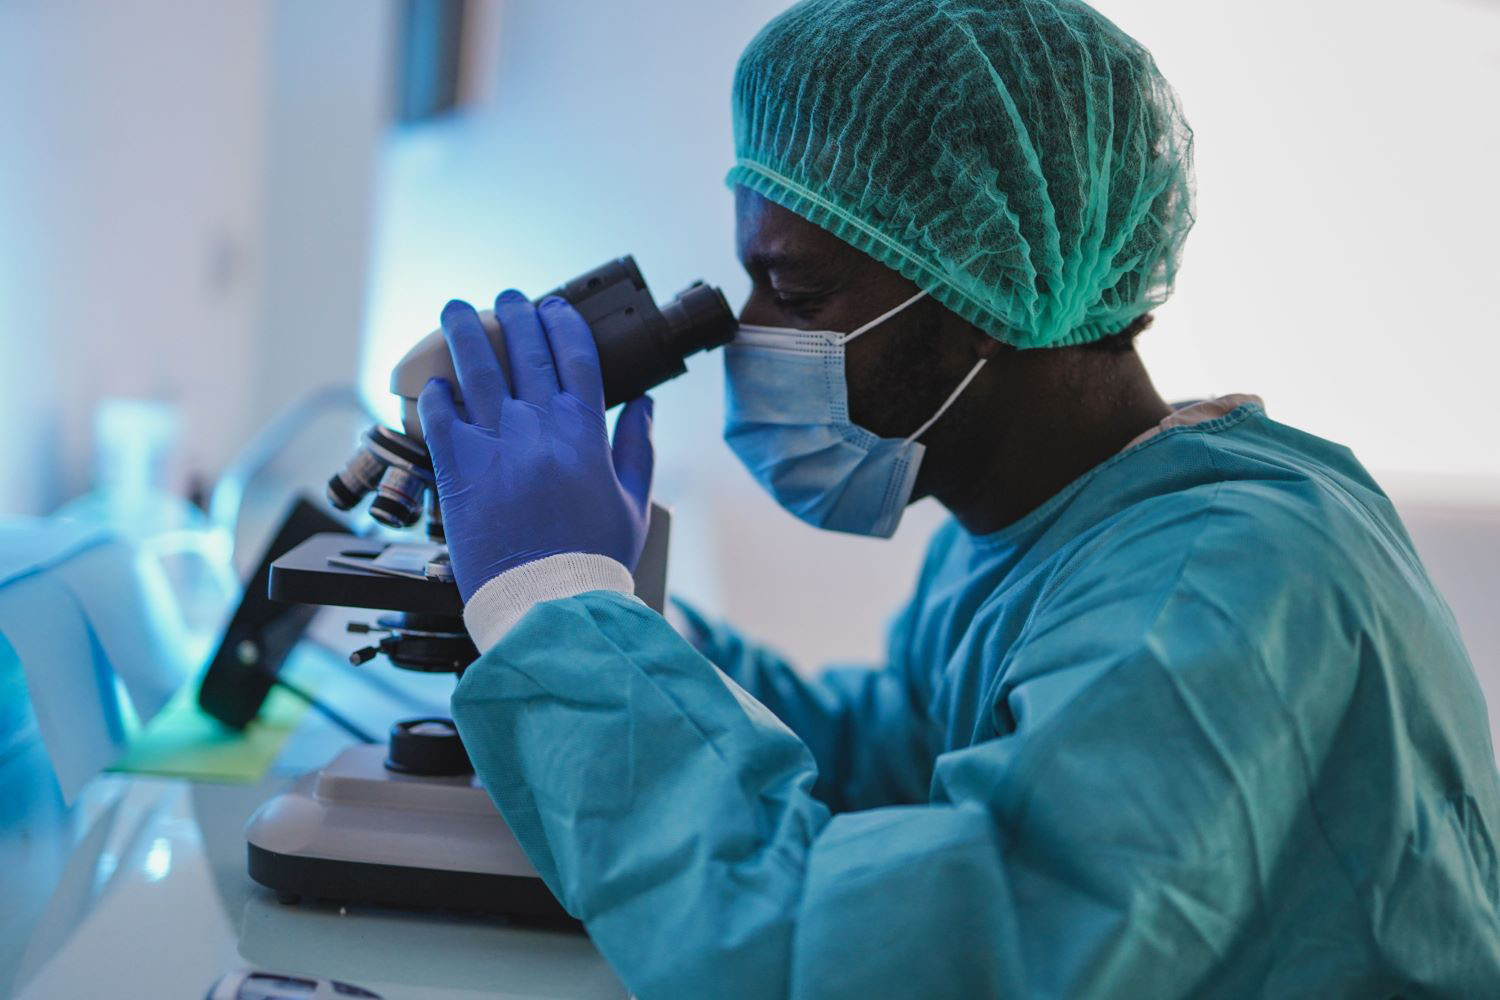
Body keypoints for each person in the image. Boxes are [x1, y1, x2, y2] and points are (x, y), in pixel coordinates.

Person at [416, 0, 1500, 995]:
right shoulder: (1052, 524)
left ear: (983, 279)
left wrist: (552, 607)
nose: (747, 331)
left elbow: (874, 965)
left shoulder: (1213, 594)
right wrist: (615, 621)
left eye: (795, 289)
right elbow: (889, 761)